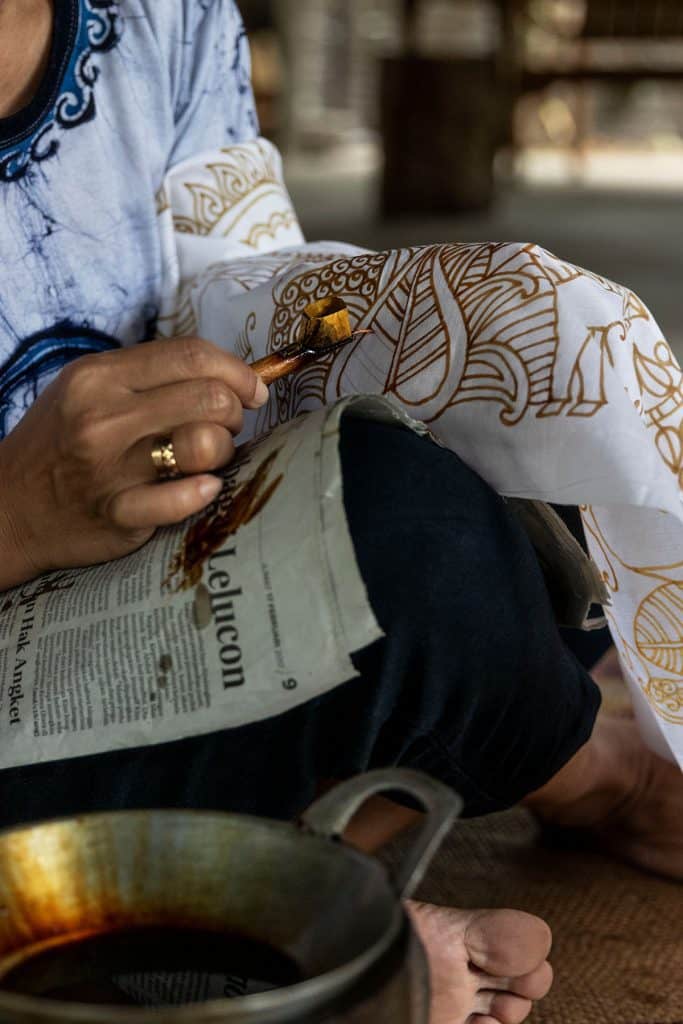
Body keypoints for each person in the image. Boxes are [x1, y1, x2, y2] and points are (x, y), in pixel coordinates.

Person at [0, 4, 681, 1023]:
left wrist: (456, 325)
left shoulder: (161, 17)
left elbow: (227, 281)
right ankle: (288, 926)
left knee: (477, 506)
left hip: (138, 603)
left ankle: (223, 916)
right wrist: (19, 513)